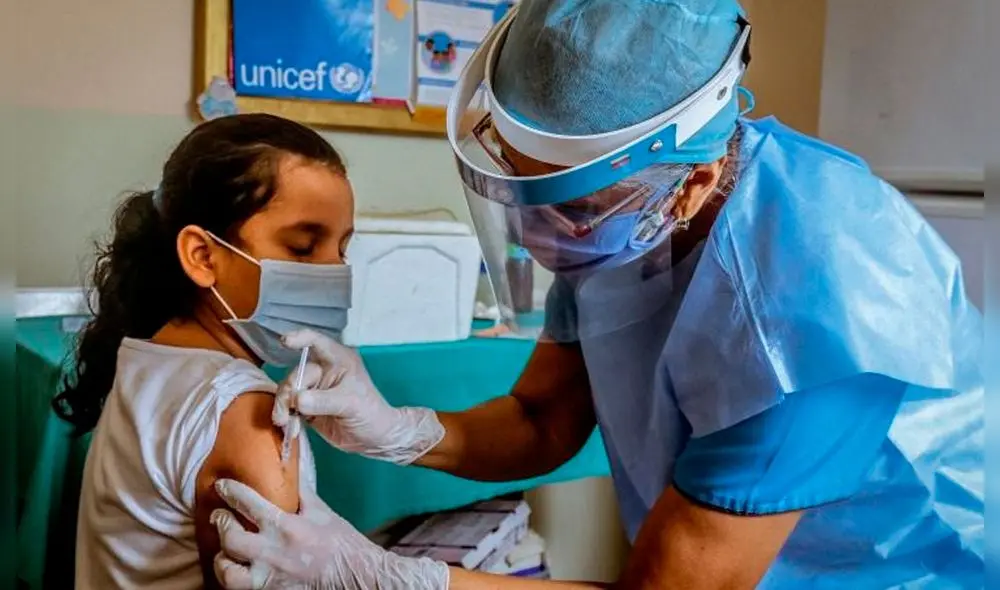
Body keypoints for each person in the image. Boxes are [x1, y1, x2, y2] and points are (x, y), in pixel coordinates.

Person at [208, 0, 984, 588]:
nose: (538, 235)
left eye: (572, 205)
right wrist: (399, 429)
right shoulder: (623, 222)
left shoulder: (817, 307)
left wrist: (383, 575)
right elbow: (542, 419)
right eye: (523, 193)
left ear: (698, 178)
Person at [55, 113, 364, 589]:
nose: (333, 274)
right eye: (303, 248)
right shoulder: (247, 415)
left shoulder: (147, 352)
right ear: (202, 256)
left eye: (342, 249)